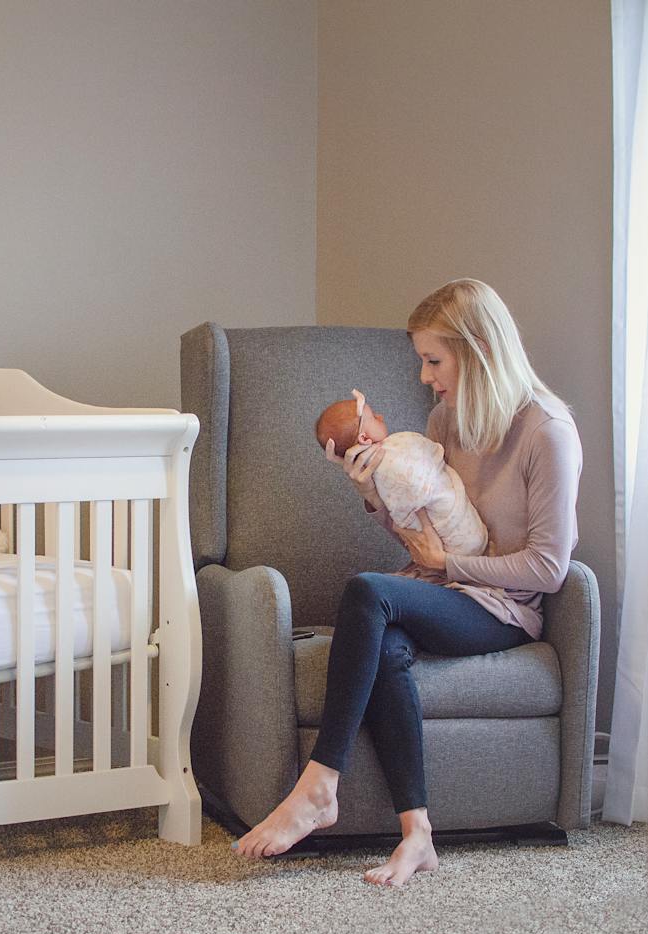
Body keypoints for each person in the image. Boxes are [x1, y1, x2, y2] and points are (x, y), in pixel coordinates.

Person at [232, 278, 583, 887]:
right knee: (386, 650)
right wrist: (372, 492)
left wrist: (450, 568)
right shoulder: (445, 420)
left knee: (369, 591)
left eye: (432, 359)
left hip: (502, 608)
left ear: (477, 352)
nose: (423, 376)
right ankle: (417, 833)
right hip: (444, 590)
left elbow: (549, 569)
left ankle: (319, 784)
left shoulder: (546, 433)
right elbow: (423, 536)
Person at [314, 388, 488, 560]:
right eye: (374, 417)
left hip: (463, 559)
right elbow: (409, 531)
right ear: (364, 439)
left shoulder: (396, 451)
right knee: (367, 585)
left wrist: (441, 562)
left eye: (433, 361)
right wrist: (371, 495)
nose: (380, 416)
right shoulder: (386, 464)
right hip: (450, 549)